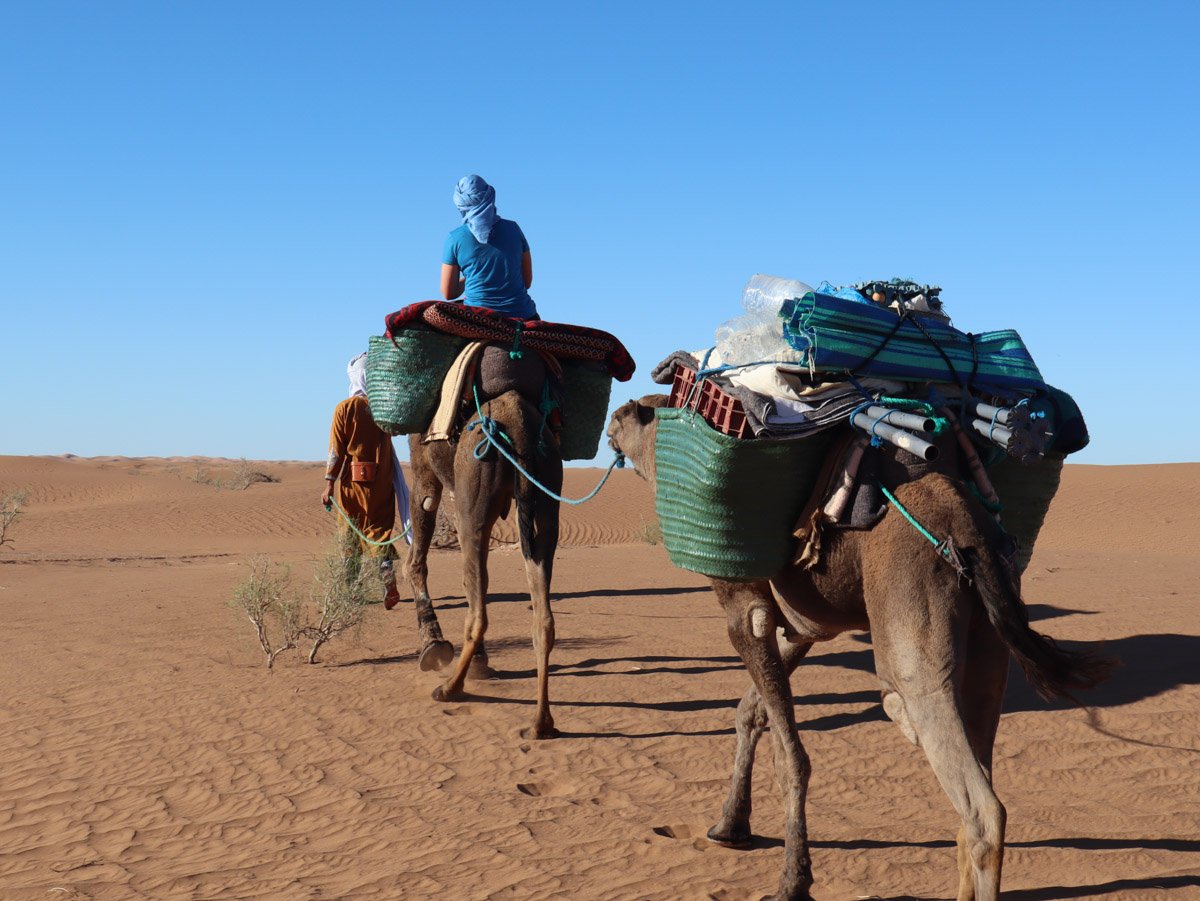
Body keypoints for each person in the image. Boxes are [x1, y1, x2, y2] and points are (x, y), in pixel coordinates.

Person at [321, 353, 412, 610]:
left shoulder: (345, 408)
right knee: (379, 532)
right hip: (382, 482)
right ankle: (387, 581)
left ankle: (349, 591)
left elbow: (336, 450)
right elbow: (396, 430)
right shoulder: (382, 407)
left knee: (350, 534)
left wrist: (329, 482)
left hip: (352, 484)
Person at [441, 174, 538, 320]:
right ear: (489, 196)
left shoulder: (455, 238)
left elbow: (449, 293)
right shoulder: (514, 229)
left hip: (478, 317)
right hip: (523, 314)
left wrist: (474, 277)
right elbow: (527, 281)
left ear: (460, 202)